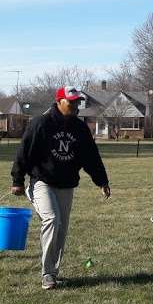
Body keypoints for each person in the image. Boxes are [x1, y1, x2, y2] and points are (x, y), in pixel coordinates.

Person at [11, 85, 110, 290]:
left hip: (66, 185)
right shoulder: (41, 123)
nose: (75, 106)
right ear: (59, 102)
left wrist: (102, 181)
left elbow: (91, 157)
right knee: (52, 220)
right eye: (70, 102)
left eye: (77, 102)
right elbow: (24, 151)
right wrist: (18, 181)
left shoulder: (80, 128)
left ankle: (53, 274)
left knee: (61, 230)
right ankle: (47, 273)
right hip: (42, 182)